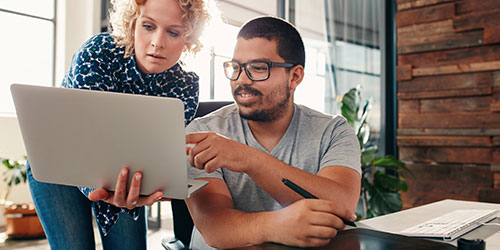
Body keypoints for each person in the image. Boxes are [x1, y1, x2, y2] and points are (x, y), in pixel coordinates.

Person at [26, 0, 210, 249]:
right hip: (59, 160)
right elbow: (85, 135)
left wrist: (149, 186)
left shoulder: (185, 85)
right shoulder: (98, 52)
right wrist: (109, 188)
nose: (157, 42)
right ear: (133, 24)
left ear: (189, 39)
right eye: (148, 26)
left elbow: (155, 155)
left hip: (125, 178)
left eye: (173, 32)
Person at [185, 16, 362, 249]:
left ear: (295, 76)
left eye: (258, 68)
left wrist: (249, 159)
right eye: (235, 68)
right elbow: (214, 226)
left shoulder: (333, 131)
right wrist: (277, 225)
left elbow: (341, 207)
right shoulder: (203, 131)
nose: (242, 80)